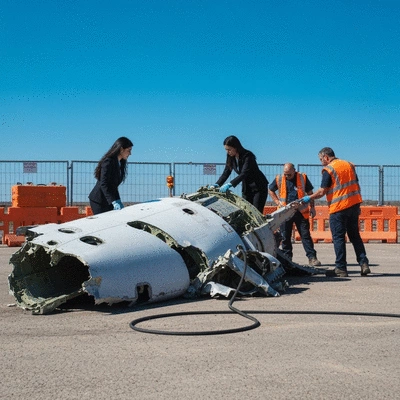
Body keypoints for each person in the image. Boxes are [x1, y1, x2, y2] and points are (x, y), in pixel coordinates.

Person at [300, 147, 370, 277]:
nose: (321, 162)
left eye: (321, 159)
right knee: (355, 236)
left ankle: (341, 268)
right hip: (354, 205)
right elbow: (356, 184)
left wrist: (309, 197)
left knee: (338, 238)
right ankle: (364, 263)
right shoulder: (349, 165)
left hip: (338, 208)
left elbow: (322, 191)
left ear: (326, 157)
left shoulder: (329, 169)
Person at [268, 163, 321, 266]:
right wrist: (277, 202)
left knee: (305, 235)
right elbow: (270, 190)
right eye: (285, 174)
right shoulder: (279, 178)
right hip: (285, 212)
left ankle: (312, 258)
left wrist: (312, 207)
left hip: (300, 211)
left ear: (294, 171)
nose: (287, 176)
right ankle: (287, 259)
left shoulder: (302, 177)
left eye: (289, 174)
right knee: (285, 236)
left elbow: (310, 193)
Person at [211, 135, 269, 213]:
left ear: (236, 147)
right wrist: (218, 184)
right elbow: (226, 171)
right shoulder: (230, 156)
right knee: (245, 211)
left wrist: (230, 184)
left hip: (258, 187)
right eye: (226, 150)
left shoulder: (248, 156)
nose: (228, 152)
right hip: (247, 188)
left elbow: (244, 173)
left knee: (256, 212)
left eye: (229, 149)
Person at [89, 137, 133, 215]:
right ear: (121, 149)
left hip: (109, 201)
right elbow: (104, 184)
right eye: (128, 150)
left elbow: (113, 186)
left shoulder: (120, 163)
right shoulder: (108, 162)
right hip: (99, 201)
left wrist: (118, 200)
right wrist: (114, 201)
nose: (130, 153)